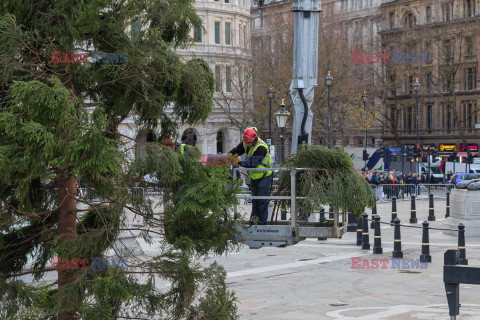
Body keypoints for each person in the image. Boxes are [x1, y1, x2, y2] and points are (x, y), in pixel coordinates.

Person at [229, 127, 272, 225]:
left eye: (249, 143)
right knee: (255, 202)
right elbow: (234, 152)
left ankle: (261, 224)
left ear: (254, 139)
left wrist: (238, 162)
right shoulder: (245, 143)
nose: (247, 145)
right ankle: (254, 223)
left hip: (264, 177)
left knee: (262, 202)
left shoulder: (262, 147)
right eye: (246, 142)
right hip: (254, 177)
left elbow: (253, 163)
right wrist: (228, 157)